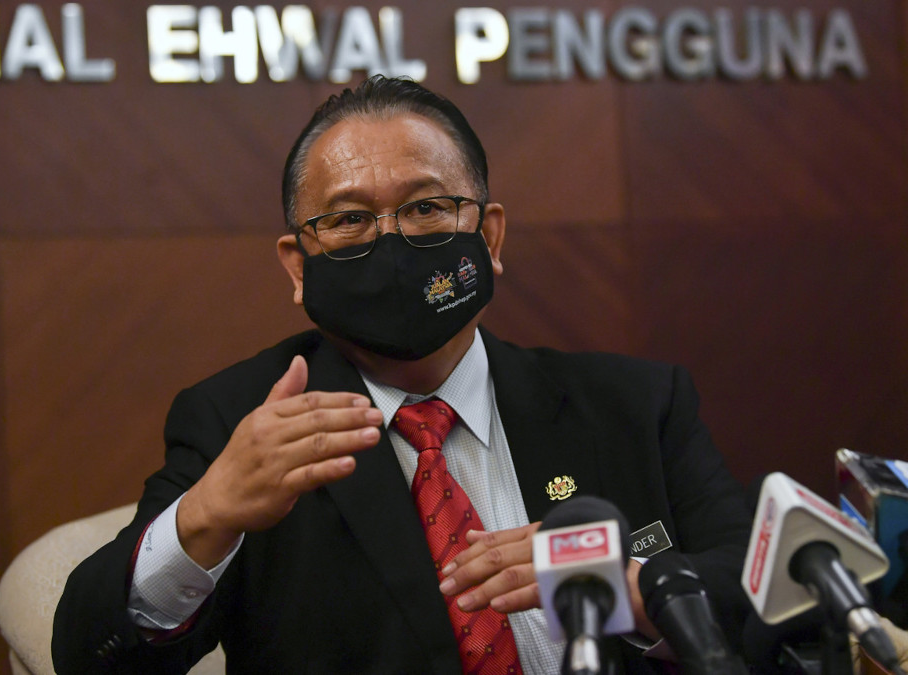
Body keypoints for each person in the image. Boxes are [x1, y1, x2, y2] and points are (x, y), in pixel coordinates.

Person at [52, 75, 753, 674]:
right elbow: (91, 654)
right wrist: (209, 512)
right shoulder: (237, 421)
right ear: (298, 264)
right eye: (350, 219)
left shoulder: (636, 403)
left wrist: (624, 587)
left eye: (425, 207)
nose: (392, 241)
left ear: (490, 235)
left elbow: (766, 601)